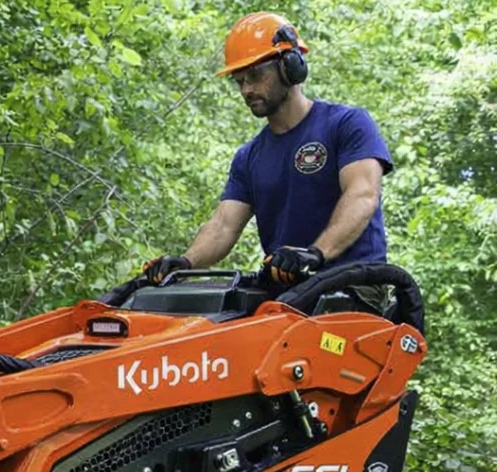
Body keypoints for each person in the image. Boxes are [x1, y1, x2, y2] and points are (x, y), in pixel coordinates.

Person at [143, 12, 393, 296]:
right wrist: (185, 262)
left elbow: (362, 195)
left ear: (291, 67)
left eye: (255, 76)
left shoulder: (346, 124)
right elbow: (224, 225)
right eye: (239, 81)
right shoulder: (249, 157)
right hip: (289, 296)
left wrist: (315, 253)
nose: (247, 89)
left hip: (353, 288)